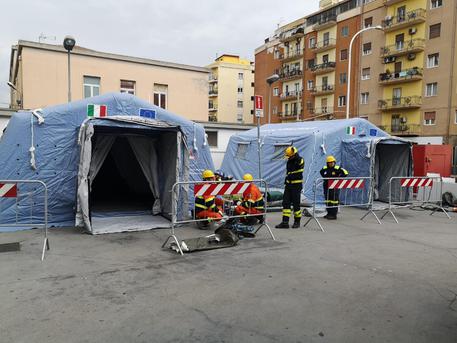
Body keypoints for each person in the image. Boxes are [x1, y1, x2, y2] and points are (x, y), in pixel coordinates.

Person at [276, 146, 304, 229]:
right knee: (286, 203)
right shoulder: (289, 161)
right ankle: (285, 222)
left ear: (294, 154)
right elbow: (288, 172)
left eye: (290, 156)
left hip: (296, 185)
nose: (288, 158)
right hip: (288, 185)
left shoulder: (300, 160)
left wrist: (296, 154)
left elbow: (299, 163)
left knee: (296, 204)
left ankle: (297, 222)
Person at [320, 155, 348, 220]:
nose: (332, 163)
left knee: (334, 201)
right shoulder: (325, 168)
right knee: (328, 200)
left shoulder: (337, 168)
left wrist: (338, 178)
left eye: (333, 162)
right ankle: (329, 213)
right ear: (327, 163)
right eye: (330, 162)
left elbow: (346, 173)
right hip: (326, 186)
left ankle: (333, 214)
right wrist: (324, 177)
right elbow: (321, 172)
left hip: (335, 187)